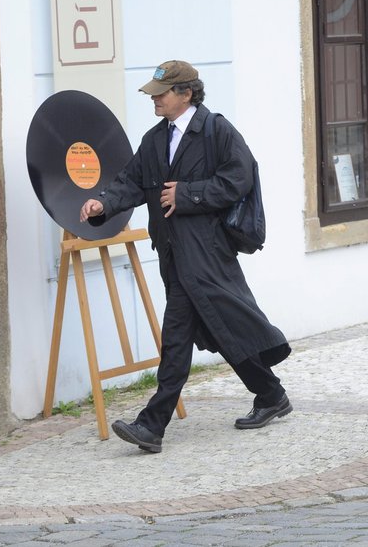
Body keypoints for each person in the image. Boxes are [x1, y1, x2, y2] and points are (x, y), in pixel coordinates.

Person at [79, 60, 292, 453]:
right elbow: (130, 182)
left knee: (176, 337)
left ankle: (152, 425)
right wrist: (102, 204)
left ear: (186, 94)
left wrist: (188, 195)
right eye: (154, 94)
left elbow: (239, 177)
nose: (154, 100)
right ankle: (271, 394)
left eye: (161, 94)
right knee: (222, 327)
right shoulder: (155, 139)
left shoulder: (216, 130)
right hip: (175, 254)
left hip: (207, 253)